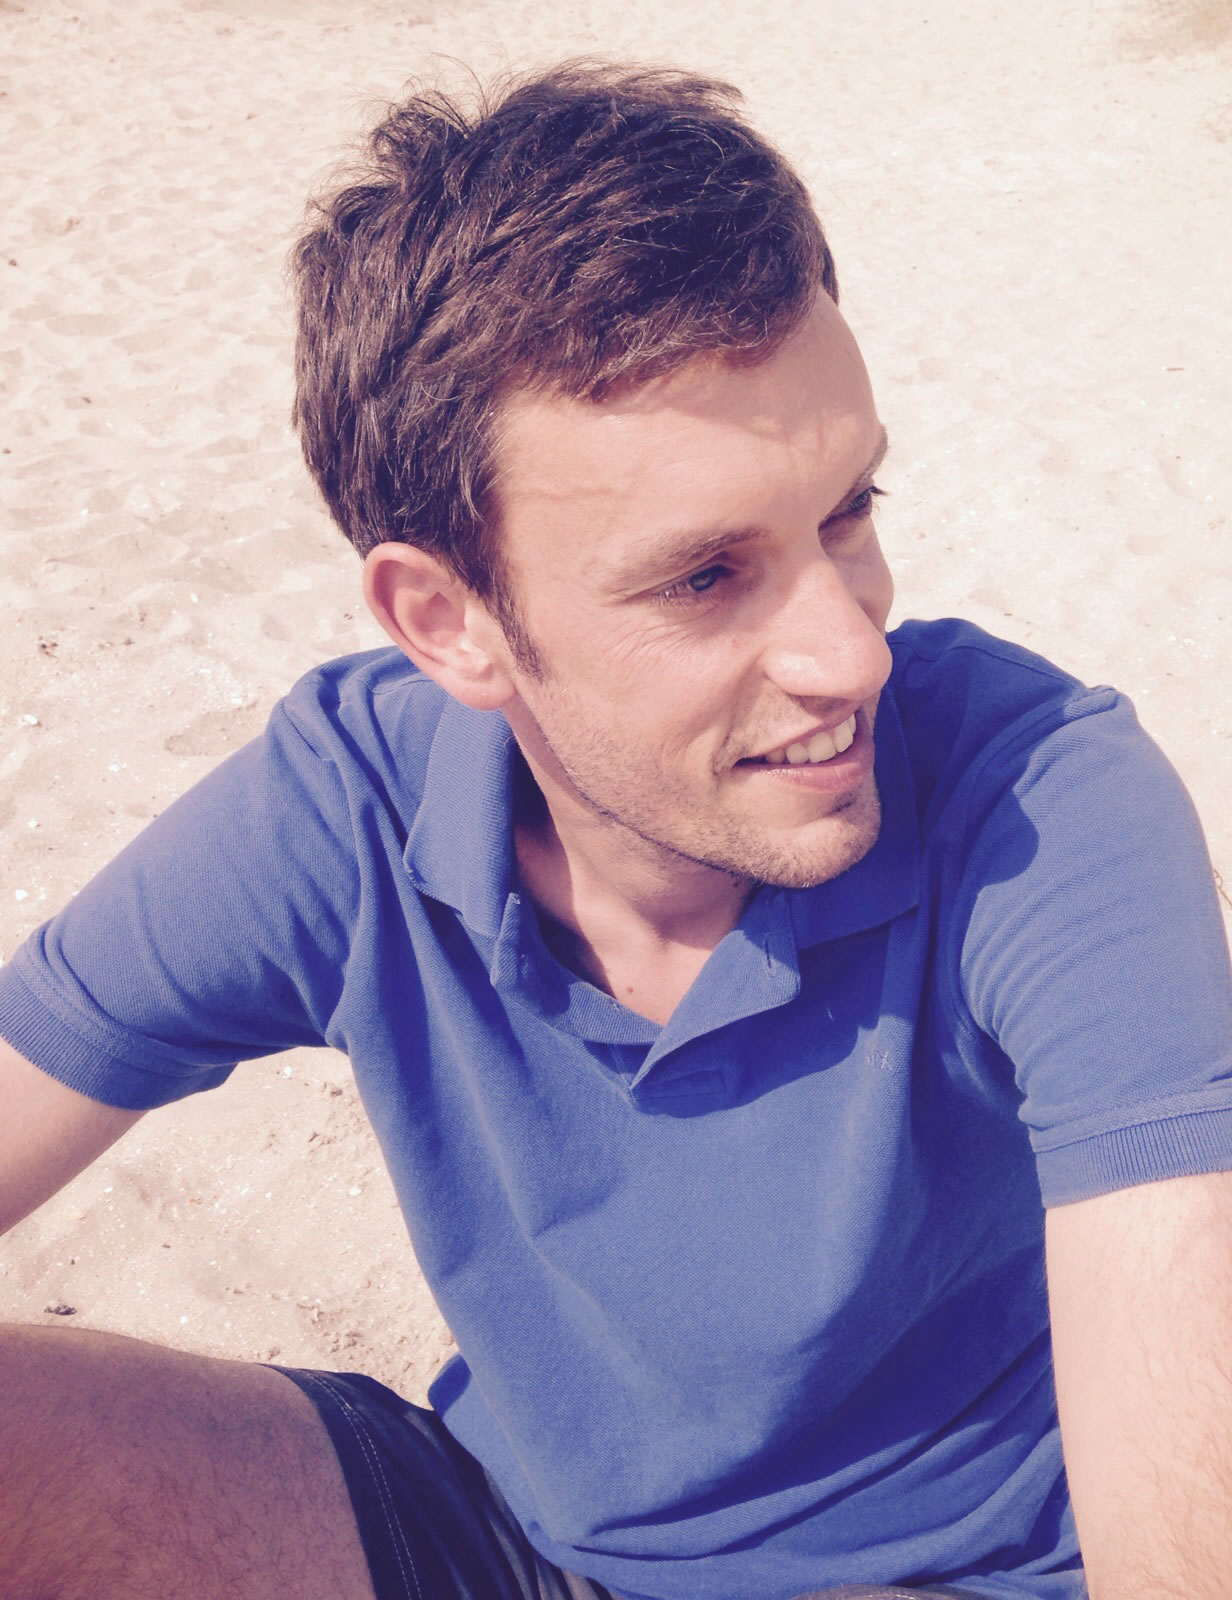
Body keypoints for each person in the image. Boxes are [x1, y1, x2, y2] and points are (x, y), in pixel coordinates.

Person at [1, 61, 1231, 1600]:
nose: (852, 652)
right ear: (448, 622)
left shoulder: (1039, 803)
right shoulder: (347, 810)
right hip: (514, 1543)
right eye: (706, 576)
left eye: (848, 511)